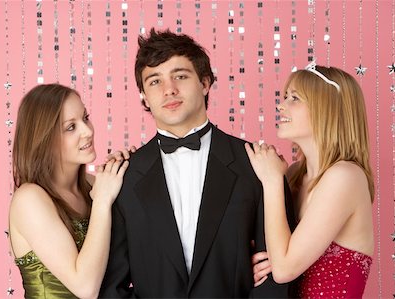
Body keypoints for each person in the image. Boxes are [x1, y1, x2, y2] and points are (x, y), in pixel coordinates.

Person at [99, 28, 294, 298]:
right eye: (155, 81)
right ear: (143, 95)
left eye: (180, 76)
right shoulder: (122, 176)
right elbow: (111, 285)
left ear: (205, 83)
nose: (169, 90)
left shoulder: (258, 166)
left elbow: (277, 280)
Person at [245, 62, 374, 298]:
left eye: (294, 98)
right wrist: (252, 266)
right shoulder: (294, 175)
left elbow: (284, 270)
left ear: (328, 109)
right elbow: (276, 253)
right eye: (285, 97)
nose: (281, 106)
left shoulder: (345, 177)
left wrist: (272, 181)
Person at [9, 83, 130, 298]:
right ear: (43, 139)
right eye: (70, 127)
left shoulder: (96, 185)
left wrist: (129, 172)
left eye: (85, 118)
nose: (88, 131)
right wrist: (102, 201)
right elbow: (85, 288)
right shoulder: (29, 198)